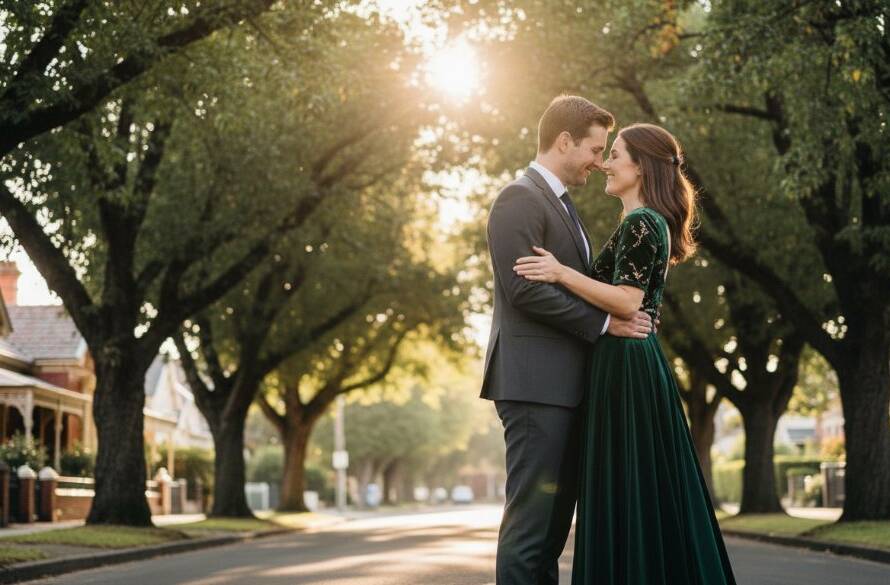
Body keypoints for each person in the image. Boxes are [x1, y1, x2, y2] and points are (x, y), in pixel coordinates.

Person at [514, 123, 737, 584]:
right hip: (625, 361)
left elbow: (627, 301)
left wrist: (560, 273)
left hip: (627, 365)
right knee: (633, 489)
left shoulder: (642, 222)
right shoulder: (642, 221)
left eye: (614, 155)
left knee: (628, 487)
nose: (605, 165)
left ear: (641, 167)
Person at [481, 95, 653, 585]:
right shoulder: (518, 198)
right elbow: (522, 290)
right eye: (595, 150)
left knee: (552, 533)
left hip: (565, 390)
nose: (599, 163)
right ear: (563, 141)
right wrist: (604, 324)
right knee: (531, 528)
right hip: (535, 389)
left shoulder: (561, 205)